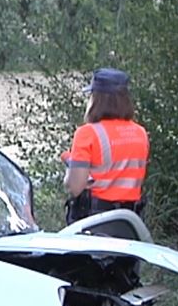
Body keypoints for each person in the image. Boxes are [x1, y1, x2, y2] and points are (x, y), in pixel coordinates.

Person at [61, 68, 149, 224]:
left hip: (94, 223)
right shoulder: (140, 133)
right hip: (131, 224)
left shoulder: (87, 133)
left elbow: (75, 187)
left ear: (96, 100)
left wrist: (70, 168)